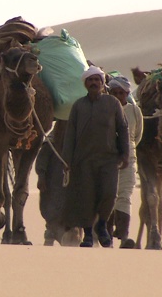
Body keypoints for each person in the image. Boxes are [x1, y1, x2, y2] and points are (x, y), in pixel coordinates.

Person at [61, 65, 130, 248]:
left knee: (109, 195)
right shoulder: (78, 106)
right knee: (86, 198)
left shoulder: (112, 103)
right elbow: (70, 135)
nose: (93, 83)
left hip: (109, 159)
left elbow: (123, 128)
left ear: (102, 83)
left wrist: (125, 154)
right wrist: (66, 160)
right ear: (85, 83)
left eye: (96, 80)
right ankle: (88, 235)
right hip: (83, 161)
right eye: (90, 80)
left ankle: (101, 225)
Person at [107, 76, 143, 249]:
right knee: (108, 196)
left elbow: (137, 136)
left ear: (127, 94)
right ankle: (105, 236)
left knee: (125, 196)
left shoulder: (135, 111)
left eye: (122, 93)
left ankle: (123, 237)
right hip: (107, 159)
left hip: (129, 160)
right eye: (115, 92)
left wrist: (127, 152)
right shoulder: (104, 109)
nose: (118, 95)